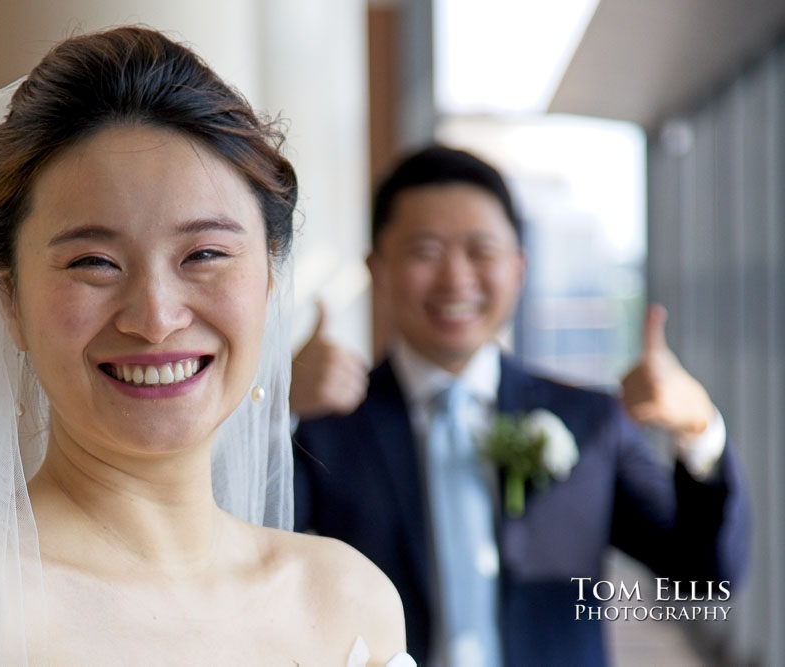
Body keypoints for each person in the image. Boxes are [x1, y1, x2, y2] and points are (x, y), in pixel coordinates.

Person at [0, 27, 415, 665]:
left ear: (270, 278)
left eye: (204, 254)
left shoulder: (346, 596)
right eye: (94, 262)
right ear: (8, 298)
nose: (155, 317)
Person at [293, 145, 749, 666]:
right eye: (425, 251)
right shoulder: (326, 428)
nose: (456, 278)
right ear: (379, 268)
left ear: (519, 267)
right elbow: (242, 550)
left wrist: (699, 428)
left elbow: (706, 579)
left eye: (481, 250)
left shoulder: (589, 421)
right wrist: (275, 408)